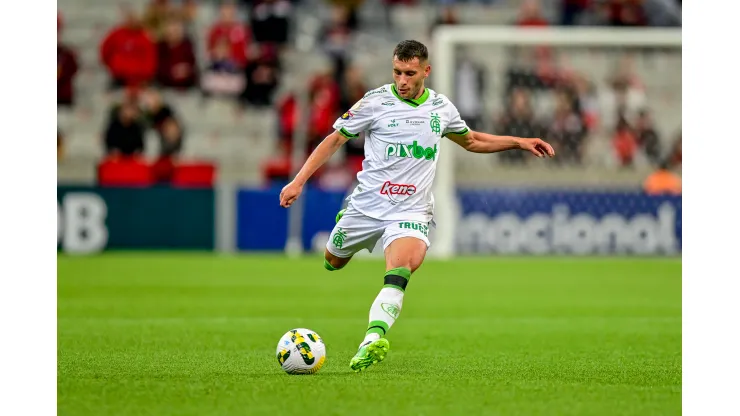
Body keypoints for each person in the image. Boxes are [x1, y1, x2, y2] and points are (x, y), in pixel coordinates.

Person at [278, 40, 555, 373]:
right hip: (367, 204)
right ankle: (346, 226)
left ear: (426, 71)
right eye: (397, 72)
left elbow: (471, 140)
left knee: (399, 271)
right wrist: (299, 180)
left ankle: (372, 338)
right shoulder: (375, 102)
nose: (402, 81)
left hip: (411, 210)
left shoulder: (440, 108)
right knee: (332, 260)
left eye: (410, 73)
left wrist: (519, 142)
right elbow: (335, 139)